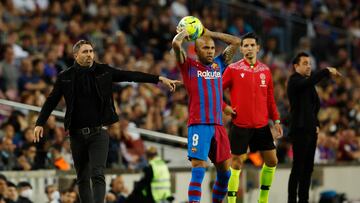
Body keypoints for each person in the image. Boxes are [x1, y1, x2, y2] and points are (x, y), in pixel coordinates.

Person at [32, 40, 180, 203]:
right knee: (82, 176)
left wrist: (158, 78)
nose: (89, 54)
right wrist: (40, 122)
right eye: (85, 52)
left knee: (97, 173)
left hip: (98, 133)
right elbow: (51, 100)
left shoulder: (103, 71)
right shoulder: (65, 77)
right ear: (76, 55)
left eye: (91, 51)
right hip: (76, 134)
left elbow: (130, 75)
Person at [172, 25, 241, 203]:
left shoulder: (219, 64)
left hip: (218, 125)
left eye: (212, 48)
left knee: (225, 173)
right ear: (196, 50)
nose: (210, 51)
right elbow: (176, 44)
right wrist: (184, 33)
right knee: (198, 168)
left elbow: (236, 42)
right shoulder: (188, 66)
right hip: (199, 124)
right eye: (205, 48)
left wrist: (210, 33)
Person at [222, 32, 283, 203]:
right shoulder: (233, 69)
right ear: (241, 49)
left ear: (258, 48)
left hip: (262, 125)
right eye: (245, 45)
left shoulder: (266, 70)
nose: (249, 48)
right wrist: (224, 107)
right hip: (240, 124)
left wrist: (276, 120)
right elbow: (215, 91)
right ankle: (232, 201)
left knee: (272, 161)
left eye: (252, 45)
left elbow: (270, 99)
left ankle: (263, 199)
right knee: (236, 163)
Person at [287, 52, 341, 203]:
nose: (309, 66)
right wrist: (326, 71)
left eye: (309, 63)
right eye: (305, 63)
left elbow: (314, 106)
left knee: (308, 169)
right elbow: (308, 83)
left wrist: (316, 124)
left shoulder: (308, 84)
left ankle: (304, 200)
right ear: (296, 66)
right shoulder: (294, 81)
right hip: (299, 129)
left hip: (311, 130)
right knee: (297, 168)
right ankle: (292, 200)